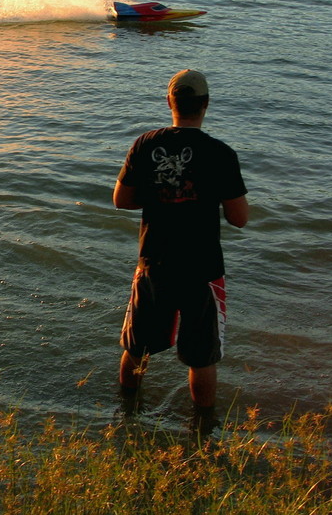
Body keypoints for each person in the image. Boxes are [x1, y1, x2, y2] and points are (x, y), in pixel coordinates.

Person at [113, 69, 248, 415]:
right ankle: (202, 432)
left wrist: (162, 195)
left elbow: (121, 200)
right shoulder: (220, 153)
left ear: (169, 101)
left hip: (154, 261)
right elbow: (239, 218)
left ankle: (128, 413)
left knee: (137, 347)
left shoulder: (145, 144)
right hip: (201, 268)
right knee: (202, 357)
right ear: (205, 104)